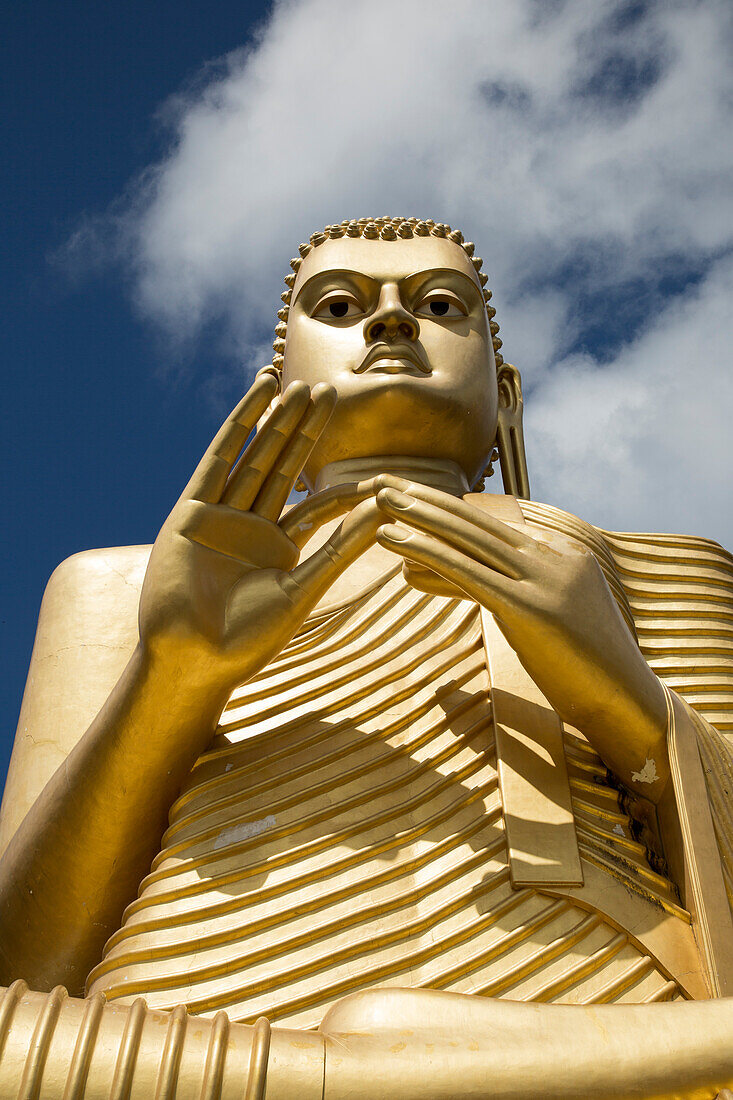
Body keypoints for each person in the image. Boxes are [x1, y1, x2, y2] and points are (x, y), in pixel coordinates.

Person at [0, 217, 731, 1098]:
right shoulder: (119, 588)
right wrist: (175, 677)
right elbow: (27, 958)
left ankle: (376, 1072)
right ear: (269, 396)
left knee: (380, 1032)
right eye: (341, 304)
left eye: (437, 305)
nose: (390, 322)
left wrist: (615, 688)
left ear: (505, 399)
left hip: (592, 1003)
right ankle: (388, 1073)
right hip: (178, 1039)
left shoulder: (635, 568)